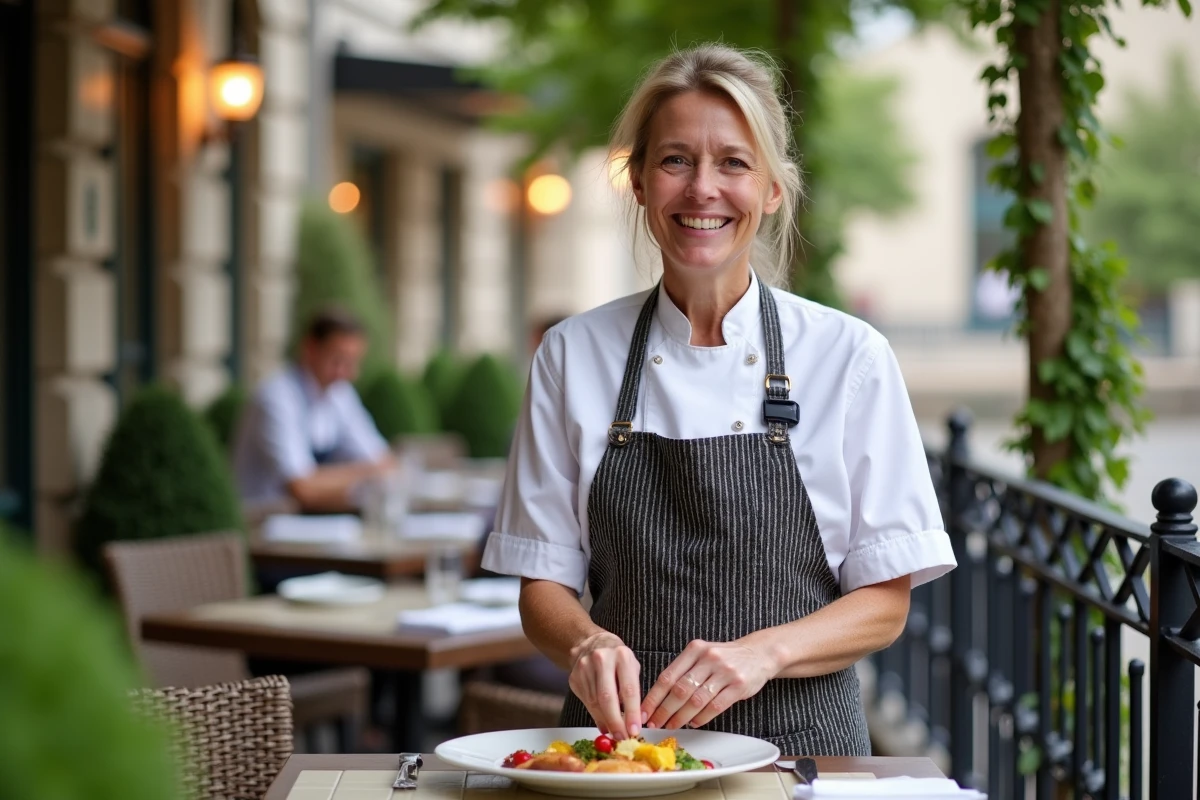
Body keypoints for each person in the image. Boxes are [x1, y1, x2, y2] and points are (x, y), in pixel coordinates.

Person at [479, 44, 957, 756]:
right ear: (639, 182)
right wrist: (584, 643)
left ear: (772, 189)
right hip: (622, 756)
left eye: (733, 163)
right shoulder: (570, 356)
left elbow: (886, 604)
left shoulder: (850, 357)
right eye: (676, 160)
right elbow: (543, 583)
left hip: (803, 757)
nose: (703, 189)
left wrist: (766, 652)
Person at [232, 306, 394, 514]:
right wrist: (367, 473)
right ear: (310, 349)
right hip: (264, 522)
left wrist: (329, 479)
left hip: (312, 518)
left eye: (353, 362)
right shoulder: (277, 397)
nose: (347, 372)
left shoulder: (340, 394)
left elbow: (384, 461)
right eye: (338, 360)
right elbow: (301, 487)